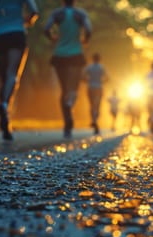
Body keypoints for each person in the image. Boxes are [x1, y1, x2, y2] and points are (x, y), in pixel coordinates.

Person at [0, 0, 39, 140]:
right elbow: (34, 11)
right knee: (12, 74)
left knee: (4, 77)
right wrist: (26, 21)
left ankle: (6, 115)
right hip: (16, 33)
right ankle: (5, 105)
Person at [44, 0, 92, 138]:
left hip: (60, 54)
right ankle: (70, 107)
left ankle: (67, 122)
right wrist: (85, 40)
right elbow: (88, 29)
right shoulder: (80, 14)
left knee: (64, 89)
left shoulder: (57, 14)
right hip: (76, 53)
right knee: (73, 88)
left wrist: (53, 38)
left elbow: (46, 29)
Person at [83, 53, 108, 135]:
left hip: (90, 88)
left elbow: (82, 76)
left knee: (92, 105)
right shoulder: (102, 67)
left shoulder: (89, 67)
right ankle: (95, 120)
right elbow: (107, 78)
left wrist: (88, 81)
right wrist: (101, 82)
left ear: (92, 59)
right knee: (97, 105)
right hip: (98, 88)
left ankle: (93, 120)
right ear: (99, 59)